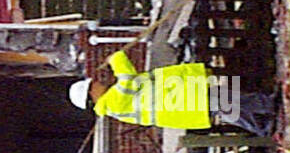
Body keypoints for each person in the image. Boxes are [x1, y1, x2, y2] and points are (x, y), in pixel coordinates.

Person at [69, 50, 276, 136]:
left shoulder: (112, 103)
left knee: (225, 105)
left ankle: (261, 126)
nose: (97, 82)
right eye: (93, 84)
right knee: (226, 100)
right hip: (179, 101)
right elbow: (128, 78)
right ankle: (268, 105)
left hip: (178, 99)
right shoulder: (112, 102)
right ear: (91, 95)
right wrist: (117, 59)